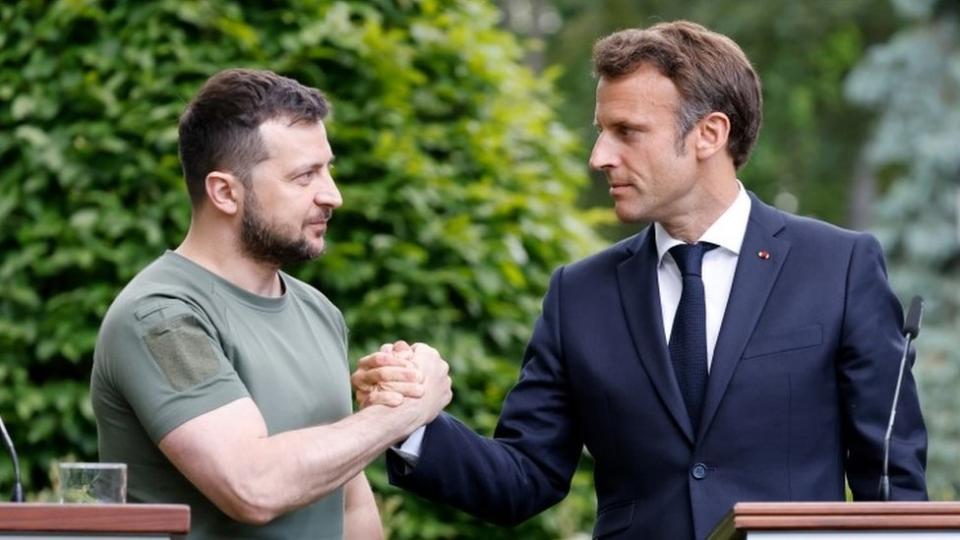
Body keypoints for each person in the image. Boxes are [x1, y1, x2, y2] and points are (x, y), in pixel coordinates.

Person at [351, 20, 928, 539]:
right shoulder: (578, 294)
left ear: (710, 134)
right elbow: (524, 477)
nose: (599, 155)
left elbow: (890, 479)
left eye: (627, 131)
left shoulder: (840, 266)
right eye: (601, 131)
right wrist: (411, 423)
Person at [91, 68, 452, 539]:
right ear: (225, 192)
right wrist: (405, 411)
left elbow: (350, 504)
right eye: (304, 176)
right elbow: (251, 486)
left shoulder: (318, 312)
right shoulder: (162, 318)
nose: (333, 195)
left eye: (327, 169)